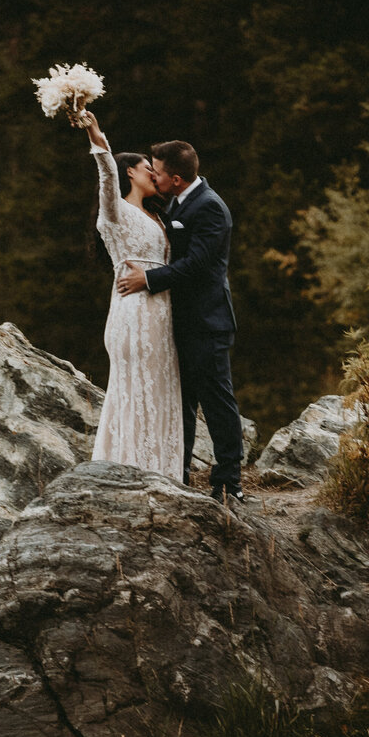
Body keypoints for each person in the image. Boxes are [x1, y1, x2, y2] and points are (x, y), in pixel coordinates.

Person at [116, 141, 246, 504]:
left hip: (208, 322)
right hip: (178, 321)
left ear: (175, 178)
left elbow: (199, 264)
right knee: (181, 403)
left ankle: (229, 482)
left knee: (217, 402)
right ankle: (180, 473)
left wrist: (150, 280)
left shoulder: (210, 208)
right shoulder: (175, 201)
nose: (152, 175)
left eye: (156, 171)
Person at [72, 109, 183, 481]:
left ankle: (163, 473)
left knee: (162, 389)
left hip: (161, 312)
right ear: (130, 173)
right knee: (135, 390)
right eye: (147, 168)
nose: (155, 173)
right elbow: (105, 171)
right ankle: (131, 471)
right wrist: (95, 131)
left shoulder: (157, 217)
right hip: (133, 313)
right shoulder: (114, 213)